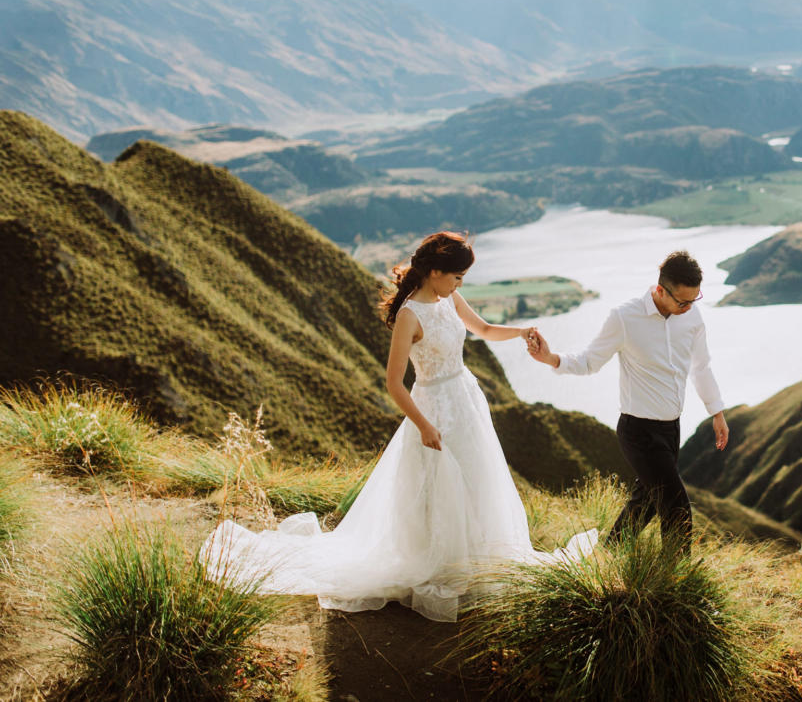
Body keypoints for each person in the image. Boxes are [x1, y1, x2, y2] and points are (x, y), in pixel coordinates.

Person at [201, 231, 596, 622]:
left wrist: (523, 331)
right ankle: (438, 564)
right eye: (456, 277)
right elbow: (393, 383)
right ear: (436, 271)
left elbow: (486, 331)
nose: (460, 285)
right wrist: (423, 425)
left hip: (465, 400)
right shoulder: (410, 314)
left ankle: (478, 562)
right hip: (433, 408)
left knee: (477, 479)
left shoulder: (449, 297)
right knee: (437, 488)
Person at [526, 250, 728, 555]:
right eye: (682, 302)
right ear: (660, 290)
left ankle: (608, 555)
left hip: (672, 429)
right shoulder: (624, 317)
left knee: (644, 505)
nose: (689, 308)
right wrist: (551, 358)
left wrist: (717, 413)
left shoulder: (691, 316)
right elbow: (589, 361)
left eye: (695, 300)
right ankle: (675, 583)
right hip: (639, 432)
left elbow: (701, 366)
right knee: (677, 509)